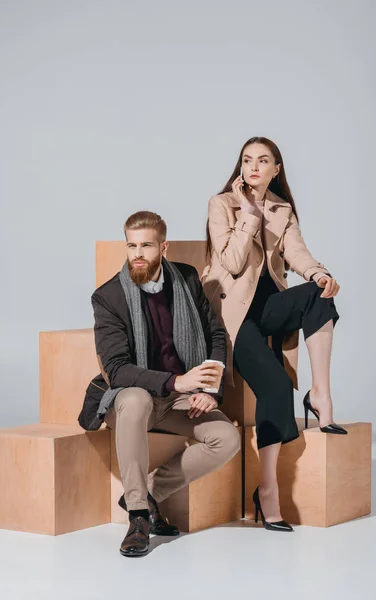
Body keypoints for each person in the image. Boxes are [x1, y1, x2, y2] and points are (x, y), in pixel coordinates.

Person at [202, 136, 346, 533]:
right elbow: (230, 262)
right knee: (278, 388)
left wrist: (318, 273)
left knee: (321, 293)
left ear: (276, 170)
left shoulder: (282, 209)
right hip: (232, 316)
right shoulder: (222, 205)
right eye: (247, 160)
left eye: (263, 161)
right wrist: (248, 213)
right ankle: (268, 491)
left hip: (266, 309)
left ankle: (320, 395)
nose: (253, 167)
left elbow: (297, 252)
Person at [78, 210, 240, 557]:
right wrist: (178, 381)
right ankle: (138, 517)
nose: (137, 254)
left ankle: (146, 493)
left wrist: (209, 388)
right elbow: (116, 369)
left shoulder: (186, 278)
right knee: (135, 399)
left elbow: (214, 333)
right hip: (134, 400)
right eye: (131, 245)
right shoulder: (108, 297)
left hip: (179, 398)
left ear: (163, 247)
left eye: (146, 246)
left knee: (226, 438)